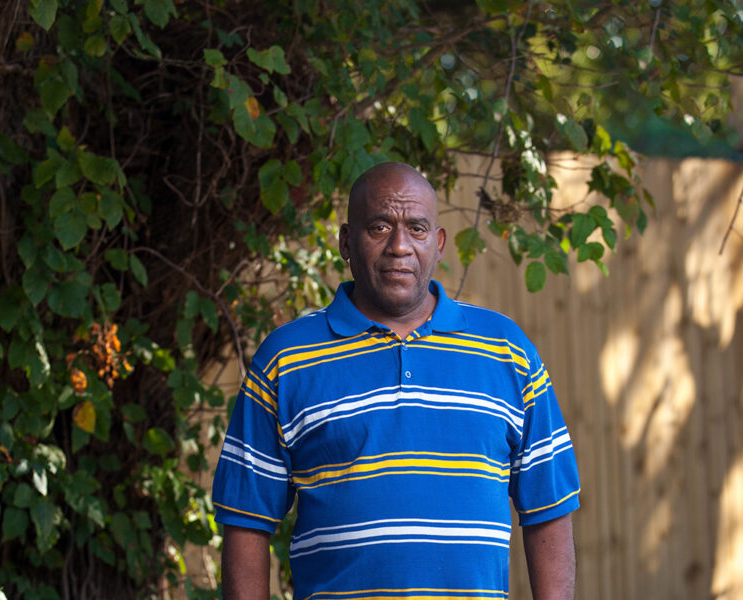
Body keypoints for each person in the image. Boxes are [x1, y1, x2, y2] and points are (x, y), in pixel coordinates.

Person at [212, 162, 580, 600]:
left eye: (417, 228)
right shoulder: (286, 359)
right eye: (380, 227)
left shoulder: (507, 351)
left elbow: (549, 510)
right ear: (347, 242)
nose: (399, 246)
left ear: (439, 244)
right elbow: (246, 521)